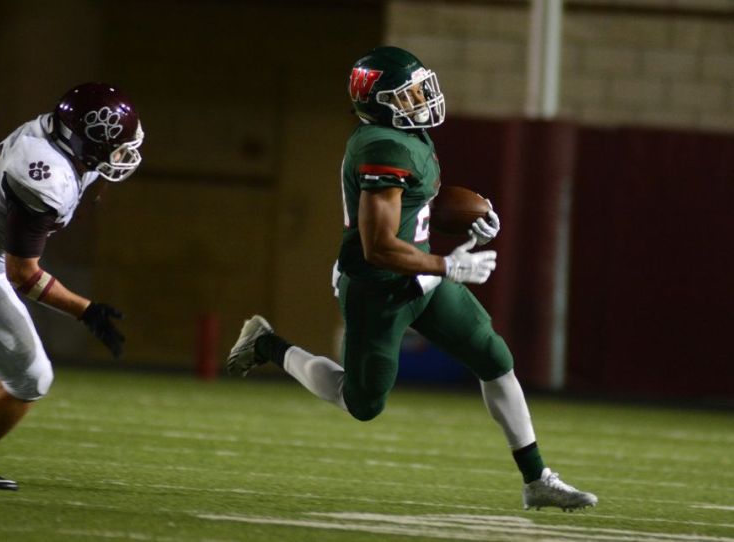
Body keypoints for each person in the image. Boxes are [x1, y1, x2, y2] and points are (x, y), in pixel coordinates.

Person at [228, 46, 598, 511]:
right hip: (377, 285)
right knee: (362, 403)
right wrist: (448, 265)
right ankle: (266, 345)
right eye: (409, 93)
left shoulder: (409, 136)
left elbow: (412, 210)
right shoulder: (382, 146)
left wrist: (466, 222)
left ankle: (537, 478)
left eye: (422, 88)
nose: (422, 99)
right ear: (380, 102)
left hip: (419, 276)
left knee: (493, 356)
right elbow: (378, 246)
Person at [0, 82, 143, 490]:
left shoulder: (53, 134)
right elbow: (23, 273)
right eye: (118, 147)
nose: (125, 155)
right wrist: (86, 310)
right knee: (31, 378)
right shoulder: (44, 176)